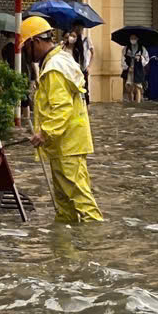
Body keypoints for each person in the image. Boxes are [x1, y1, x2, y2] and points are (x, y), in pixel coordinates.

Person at [20, 16, 102, 223]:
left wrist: (44, 132)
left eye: (25, 48)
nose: (25, 55)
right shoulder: (60, 60)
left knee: (82, 204)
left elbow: (61, 108)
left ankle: (96, 248)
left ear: (35, 42)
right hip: (64, 145)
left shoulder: (54, 68)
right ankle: (66, 251)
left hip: (67, 145)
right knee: (65, 206)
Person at [71, 21, 94, 106]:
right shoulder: (73, 39)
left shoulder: (86, 39)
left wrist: (89, 66)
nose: (79, 29)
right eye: (77, 27)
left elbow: (92, 53)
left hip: (83, 68)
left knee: (85, 88)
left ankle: (86, 108)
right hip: (74, 68)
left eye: (80, 28)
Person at [121, 35, 149, 102]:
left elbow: (146, 59)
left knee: (138, 87)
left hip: (138, 70)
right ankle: (131, 102)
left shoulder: (142, 48)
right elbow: (122, 59)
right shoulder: (126, 48)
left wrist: (140, 58)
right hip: (129, 70)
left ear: (137, 39)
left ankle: (137, 103)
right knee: (129, 88)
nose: (132, 40)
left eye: (134, 38)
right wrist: (127, 67)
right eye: (131, 38)